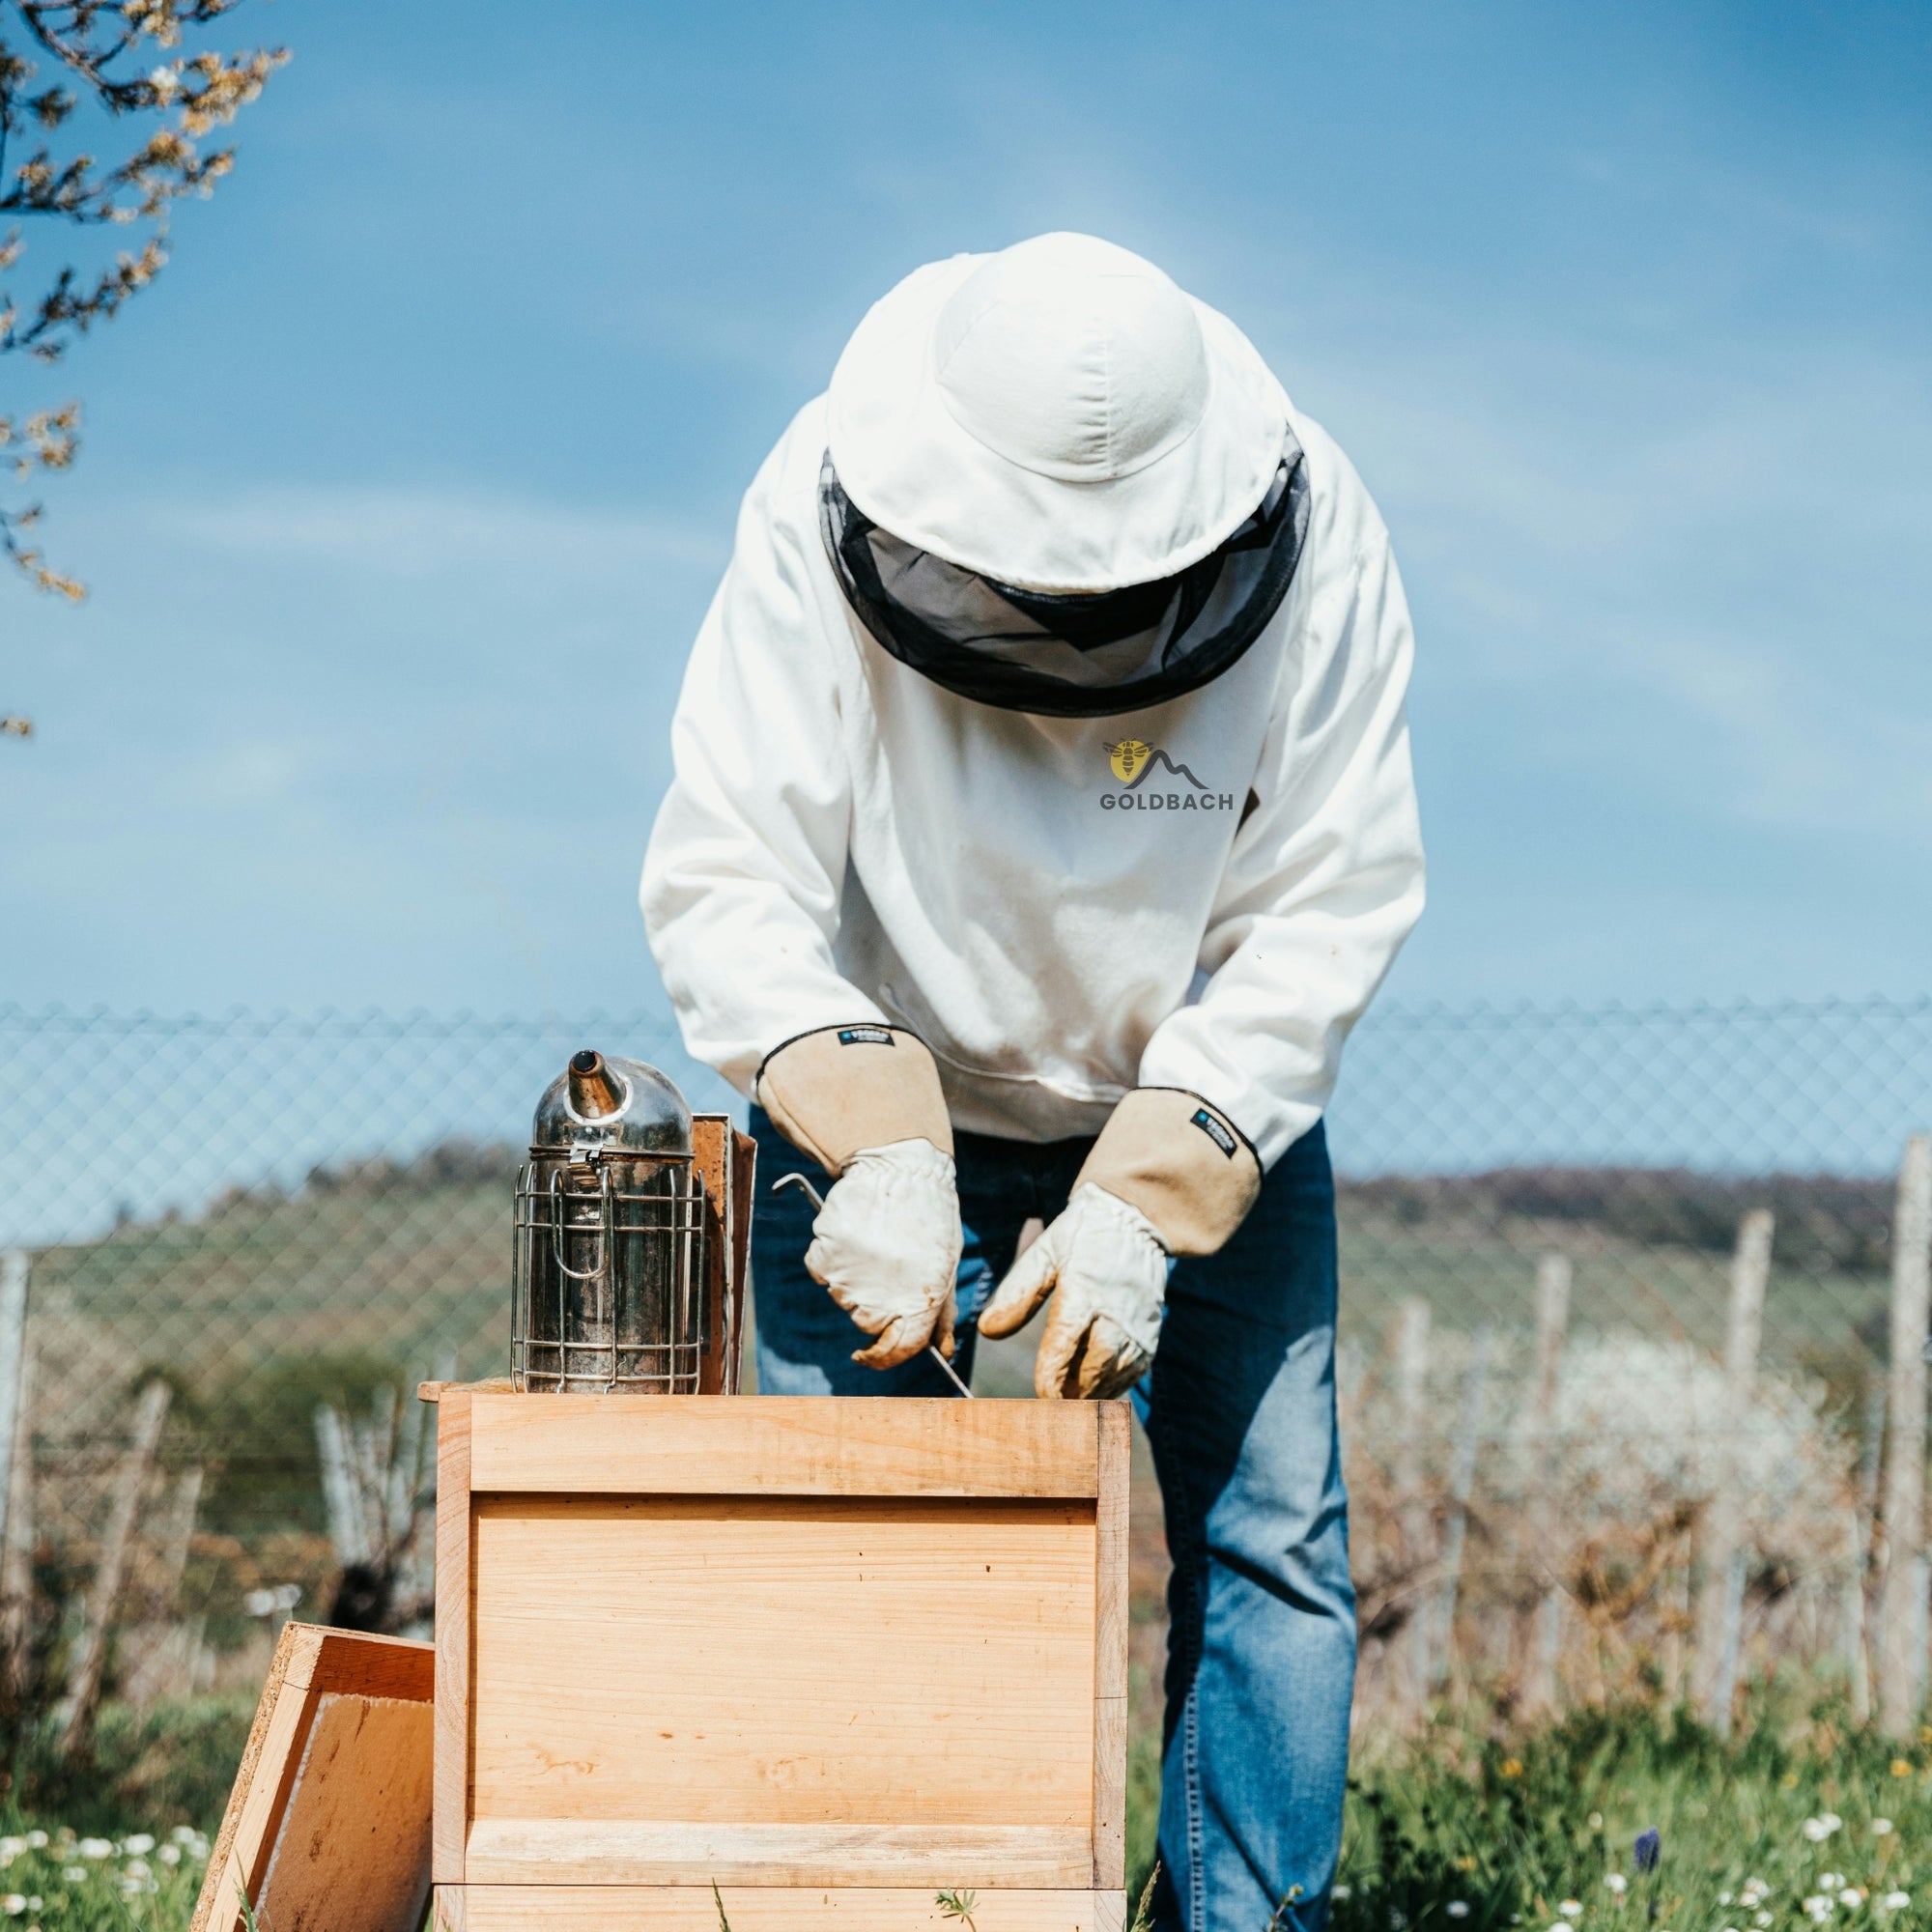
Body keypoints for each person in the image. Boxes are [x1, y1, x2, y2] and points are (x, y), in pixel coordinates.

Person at [641, 231, 1424, 1932]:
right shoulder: (811, 494)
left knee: (1272, 1541)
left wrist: (1151, 1197)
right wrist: (872, 1140)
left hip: (1198, 1106)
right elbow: (729, 873)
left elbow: (1333, 896)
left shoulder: (1323, 529)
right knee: (861, 1557)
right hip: (879, 1131)